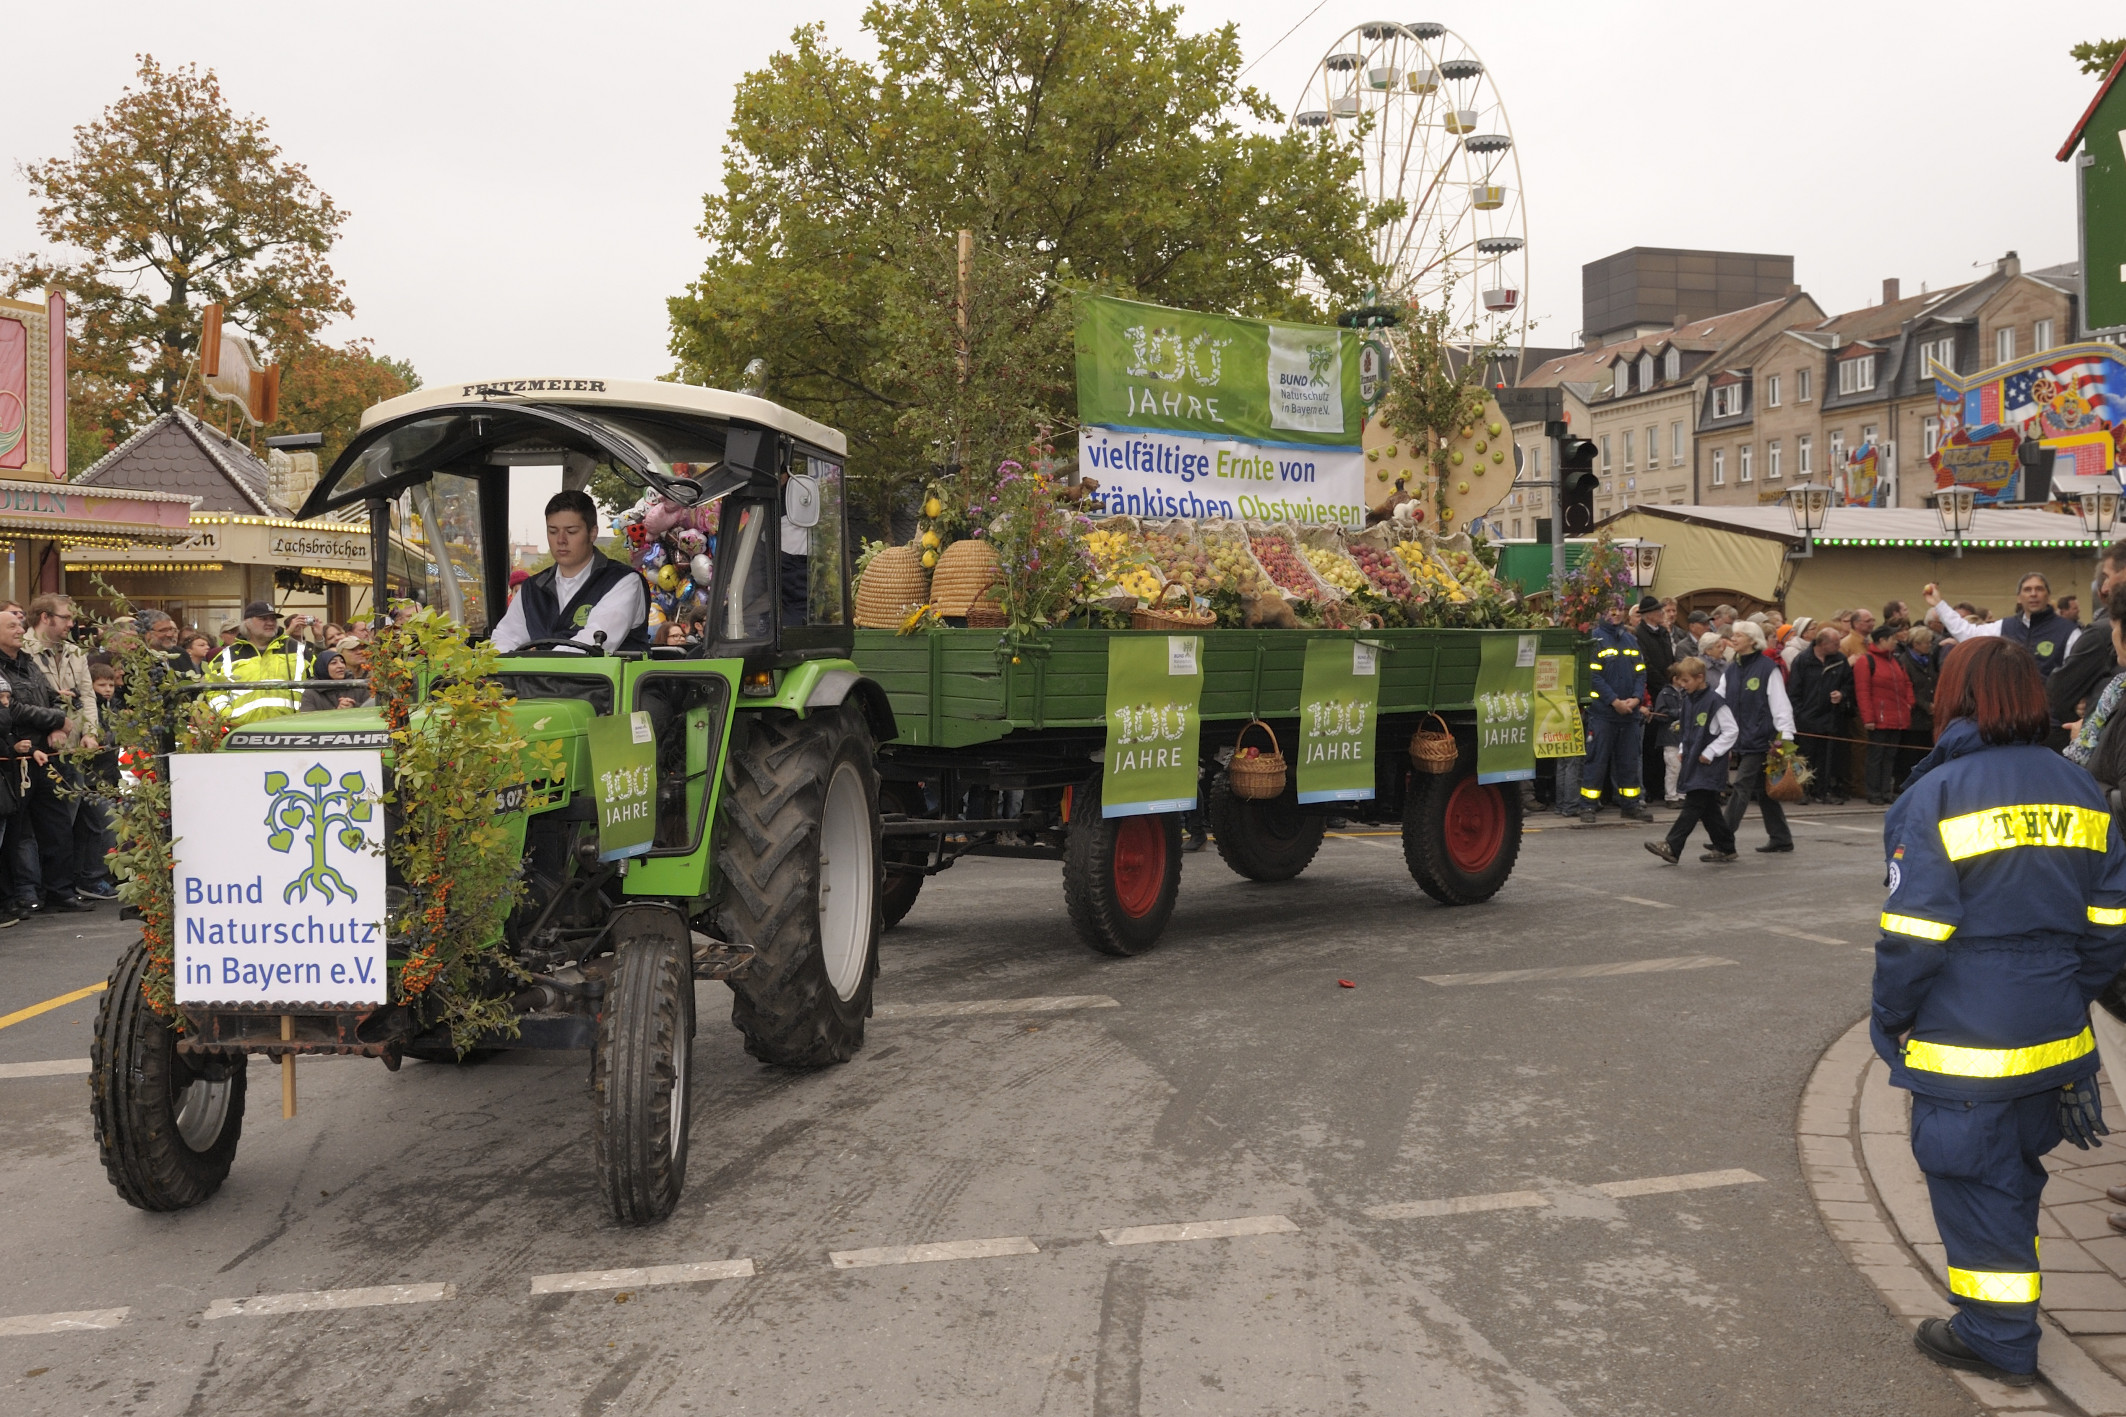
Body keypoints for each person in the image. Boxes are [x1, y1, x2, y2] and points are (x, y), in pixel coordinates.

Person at [1873, 637, 2126, 1387]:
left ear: (1955, 697)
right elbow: (2110, 924)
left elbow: (1912, 936)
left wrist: (1890, 1017)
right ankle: (2004, 1315)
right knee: (2011, 1173)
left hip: (1967, 1042)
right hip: (2053, 1034)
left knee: (1973, 1178)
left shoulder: (1934, 795)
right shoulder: (2081, 789)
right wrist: (2064, 994)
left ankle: (1999, 1335)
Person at [24, 594, 115, 903]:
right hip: (40, 748)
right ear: (45, 618)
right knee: (44, 826)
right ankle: (40, 889)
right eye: (65, 618)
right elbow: (28, 700)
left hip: (77, 748)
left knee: (74, 818)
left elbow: (88, 696)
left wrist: (91, 731)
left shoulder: (75, 651)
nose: (72, 624)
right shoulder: (24, 649)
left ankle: (73, 882)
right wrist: (51, 726)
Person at [490, 490, 650, 654]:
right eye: (552, 531)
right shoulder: (532, 589)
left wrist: (538, 665)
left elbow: (593, 643)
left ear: (593, 533)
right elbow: (505, 637)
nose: (561, 540)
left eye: (571, 531)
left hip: (606, 680)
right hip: (538, 678)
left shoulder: (623, 581)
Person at [1643, 657, 1738, 865]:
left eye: (1686, 681)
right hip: (1693, 759)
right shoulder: (1688, 700)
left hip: (1709, 764)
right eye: (1680, 681)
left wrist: (1712, 751)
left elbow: (1731, 731)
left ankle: (1672, 845)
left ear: (1700, 678)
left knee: (1694, 804)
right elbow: (1686, 729)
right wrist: (1683, 749)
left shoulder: (1715, 702)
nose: (1682, 685)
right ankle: (1726, 846)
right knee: (1709, 808)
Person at [1715, 620, 1796, 852]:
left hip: (1762, 740)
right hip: (1742, 738)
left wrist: (1786, 736)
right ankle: (1781, 838)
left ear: (1753, 640)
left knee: (1741, 785)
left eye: (1739, 635)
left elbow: (1780, 704)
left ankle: (1724, 837)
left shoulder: (1767, 668)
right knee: (1763, 791)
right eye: (1733, 635)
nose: (1734, 639)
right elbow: (1718, 700)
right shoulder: (1731, 669)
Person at [1578, 597, 1650, 823]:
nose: (1616, 614)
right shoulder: (1595, 640)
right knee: (1596, 761)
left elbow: (1641, 672)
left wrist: (1636, 699)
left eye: (1620, 609)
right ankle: (1588, 806)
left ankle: (1630, 804)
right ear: (1601, 613)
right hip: (1603, 714)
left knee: (1629, 761)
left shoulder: (1630, 640)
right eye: (1612, 610)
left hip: (1629, 715)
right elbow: (1593, 676)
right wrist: (1614, 701)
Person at [1926, 576, 2076, 678]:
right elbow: (1968, 633)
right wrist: (1939, 605)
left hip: (2052, 720)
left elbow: (2076, 676)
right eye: (2027, 590)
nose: (2033, 594)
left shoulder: (2069, 632)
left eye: (2039, 589)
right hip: (2010, 719)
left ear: (2048, 596)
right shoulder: (2004, 627)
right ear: (2019, 598)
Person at [2049, 541, 2126, 728]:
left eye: (2107, 577)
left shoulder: (2101, 632)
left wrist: (2087, 725)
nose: (2105, 587)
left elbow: (2058, 693)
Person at [205, 601, 313, 725]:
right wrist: (227, 715)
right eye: (263, 618)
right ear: (247, 623)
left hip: (291, 730)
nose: (270, 623)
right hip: (242, 732)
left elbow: (317, 683)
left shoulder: (299, 650)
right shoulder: (227, 656)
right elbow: (214, 690)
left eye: (273, 619)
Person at [1854, 624, 1915, 804]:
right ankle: (1873, 791)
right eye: (1892, 639)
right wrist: (1868, 718)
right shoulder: (1866, 661)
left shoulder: (1895, 661)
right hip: (1878, 717)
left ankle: (1885, 791)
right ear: (1882, 640)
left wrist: (1909, 703)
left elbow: (1906, 684)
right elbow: (1862, 691)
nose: (1895, 642)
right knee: (1876, 756)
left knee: (1889, 756)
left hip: (1896, 716)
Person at [1635, 596, 1676, 797]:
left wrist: (1673, 679)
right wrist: (1663, 684)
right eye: (1658, 610)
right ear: (1648, 614)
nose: (1662, 613)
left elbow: (1670, 659)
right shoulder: (1639, 635)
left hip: (1667, 690)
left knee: (1666, 740)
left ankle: (1661, 784)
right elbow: (1647, 665)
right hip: (1653, 691)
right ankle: (1651, 786)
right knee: (1650, 742)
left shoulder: (1663, 634)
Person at [1651, 662, 1692, 806]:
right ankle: (1671, 796)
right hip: (1670, 737)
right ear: (1675, 678)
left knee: (1685, 767)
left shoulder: (1688, 693)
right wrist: (1678, 713)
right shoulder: (1665, 693)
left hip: (1685, 737)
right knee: (1673, 767)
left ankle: (1683, 793)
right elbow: (1659, 714)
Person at [299, 651, 372, 712]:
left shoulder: (358, 686)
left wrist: (354, 707)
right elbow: (308, 720)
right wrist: (336, 712)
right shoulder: (311, 693)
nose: (340, 666)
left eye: (342, 662)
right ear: (323, 667)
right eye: (334, 663)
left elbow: (372, 711)